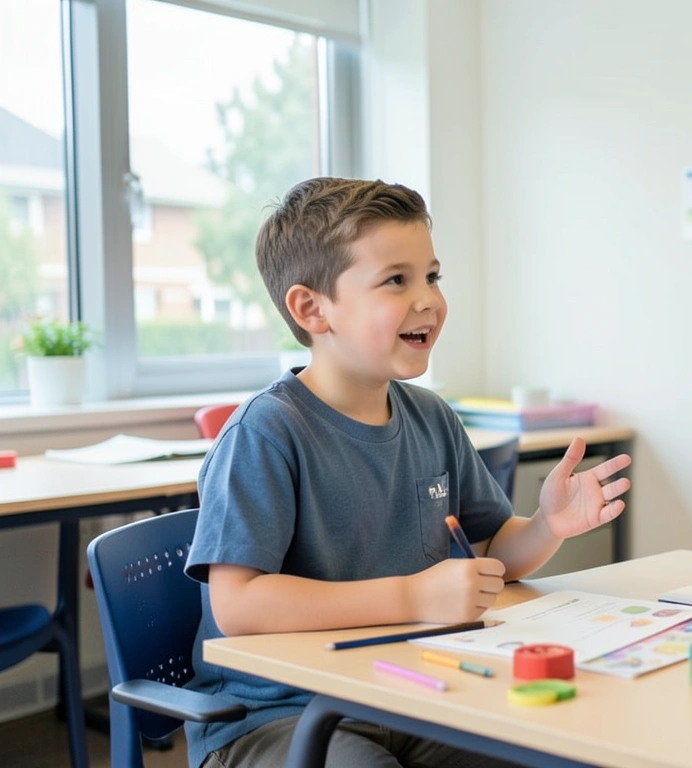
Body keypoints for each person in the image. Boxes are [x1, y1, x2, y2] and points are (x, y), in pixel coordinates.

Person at [183, 177, 631, 768]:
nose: (429, 300)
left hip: (407, 688)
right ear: (311, 308)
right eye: (397, 279)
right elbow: (238, 606)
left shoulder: (431, 416)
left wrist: (547, 525)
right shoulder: (265, 433)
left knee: (542, 751)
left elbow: (495, 547)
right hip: (277, 714)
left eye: (432, 276)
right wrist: (414, 594)